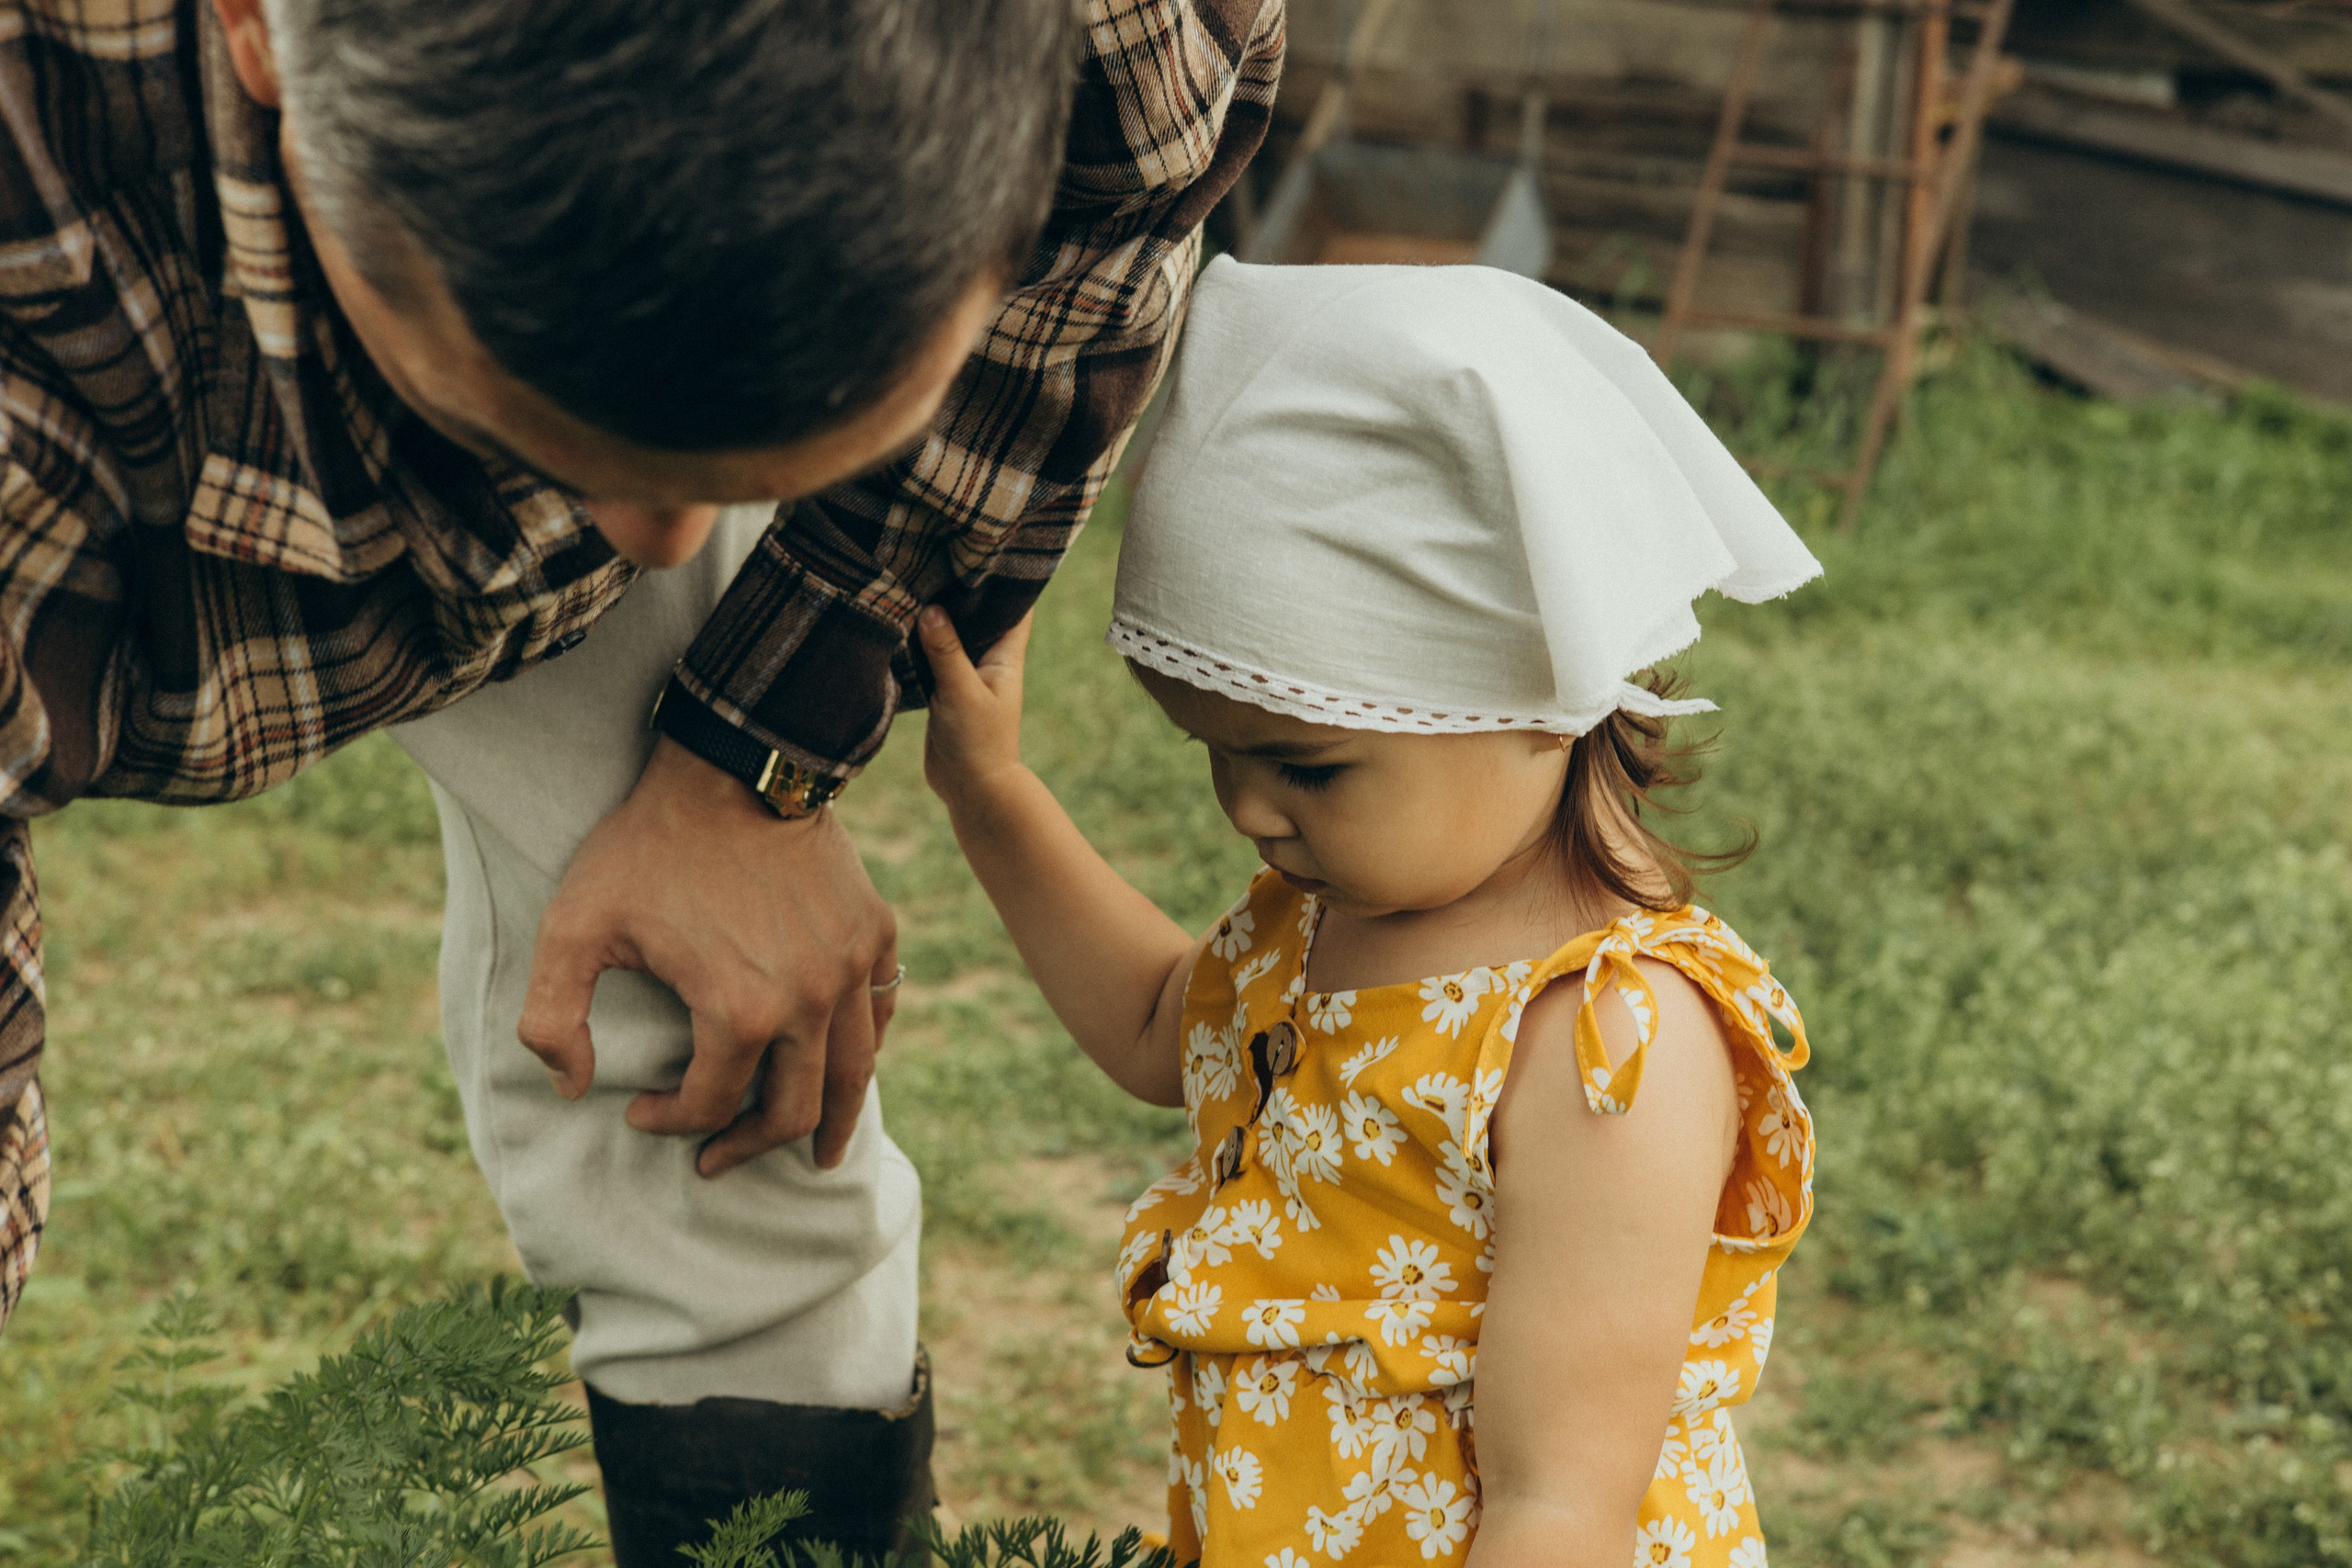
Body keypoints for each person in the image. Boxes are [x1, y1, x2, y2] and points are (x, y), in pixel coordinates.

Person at [0, 0, 1283, 1554]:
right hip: (141, 349)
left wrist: (750, 751)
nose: (668, 553)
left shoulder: (1116, 30)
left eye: (745, 476)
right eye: (556, 436)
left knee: (713, 1022)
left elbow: (1117, 212)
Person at [916, 257, 1824, 1565]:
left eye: (1307, 764)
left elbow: (1560, 1498)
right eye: (1214, 753)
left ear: (1535, 695)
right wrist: (991, 790)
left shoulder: (1604, 1042)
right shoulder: (1315, 918)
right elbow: (1160, 1025)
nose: (1249, 812)